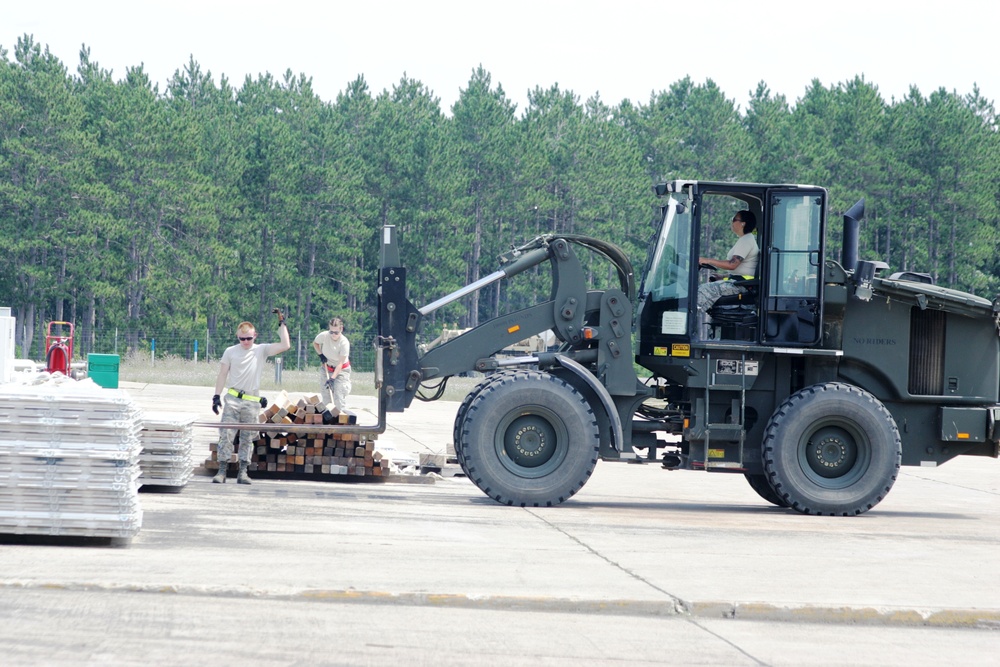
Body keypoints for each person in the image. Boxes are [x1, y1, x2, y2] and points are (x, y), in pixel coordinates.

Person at [211, 312, 290, 484]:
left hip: (252, 400)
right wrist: (216, 396)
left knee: (248, 437)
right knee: (226, 434)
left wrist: (282, 324)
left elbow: (285, 345)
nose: (246, 342)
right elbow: (222, 373)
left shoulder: (260, 350)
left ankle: (243, 471)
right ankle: (222, 470)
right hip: (232, 399)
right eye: (242, 339)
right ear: (237, 337)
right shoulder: (230, 352)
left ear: (255, 336)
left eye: (248, 338)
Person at [697, 210, 759, 312]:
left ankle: (684, 322)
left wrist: (708, 260)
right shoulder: (745, 239)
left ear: (743, 223)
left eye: (734, 219)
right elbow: (741, 268)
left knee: (701, 291)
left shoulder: (746, 240)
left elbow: (732, 265)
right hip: (738, 282)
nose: (732, 222)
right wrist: (723, 277)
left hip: (741, 286)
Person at [313, 317, 351, 412]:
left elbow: (340, 364)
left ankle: (340, 417)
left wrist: (332, 379)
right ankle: (327, 419)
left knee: (338, 395)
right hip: (327, 368)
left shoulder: (344, 342)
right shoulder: (324, 336)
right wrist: (321, 355)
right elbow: (315, 343)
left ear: (341, 329)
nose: (333, 335)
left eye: (336, 332)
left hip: (341, 370)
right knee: (326, 396)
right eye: (331, 332)